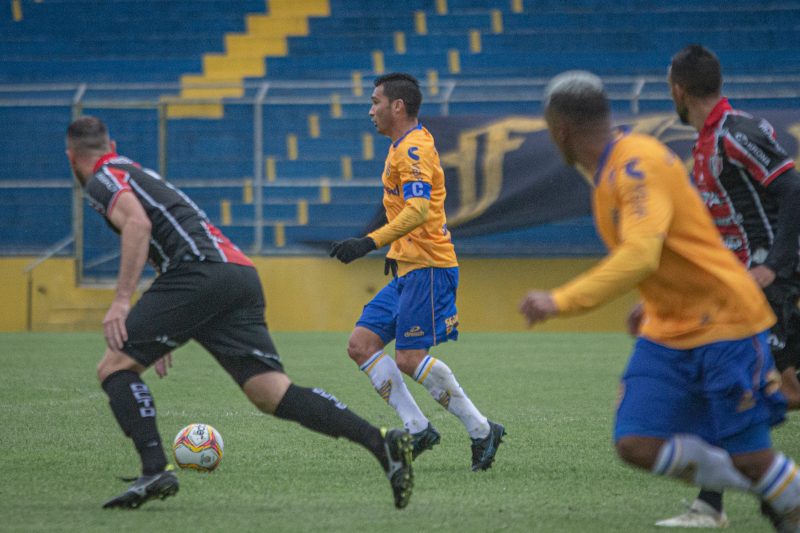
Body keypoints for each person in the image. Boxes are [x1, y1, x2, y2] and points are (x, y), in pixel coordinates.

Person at [65, 116, 414, 510]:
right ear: (109, 142)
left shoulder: (102, 178)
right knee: (270, 392)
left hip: (198, 273)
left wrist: (121, 300)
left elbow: (138, 224)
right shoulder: (132, 170)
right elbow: (168, 232)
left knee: (113, 367)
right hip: (236, 275)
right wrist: (162, 323)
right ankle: (382, 443)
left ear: (71, 155)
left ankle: (154, 469)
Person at [519, 70, 800, 532]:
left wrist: (560, 300)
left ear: (560, 130)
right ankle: (779, 489)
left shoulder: (636, 165)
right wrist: (655, 302)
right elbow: (678, 245)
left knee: (752, 455)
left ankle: (774, 490)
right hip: (669, 329)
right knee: (636, 442)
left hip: (724, 323)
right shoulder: (609, 170)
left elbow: (641, 252)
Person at [652, 44, 800, 529]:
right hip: (742, 285)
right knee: (769, 387)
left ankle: (721, 504)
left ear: (679, 89)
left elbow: (792, 188)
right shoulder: (708, 141)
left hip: (769, 283)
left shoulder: (736, 133)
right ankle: (728, 502)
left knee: (739, 387)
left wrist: (773, 267)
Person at [328, 72, 505, 471]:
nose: (370, 110)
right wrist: (396, 248)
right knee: (361, 344)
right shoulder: (400, 147)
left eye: (375, 102)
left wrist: (369, 242)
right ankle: (417, 427)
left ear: (397, 107)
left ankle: (481, 430)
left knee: (409, 357)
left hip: (429, 268)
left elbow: (419, 210)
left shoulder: (413, 150)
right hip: (410, 267)